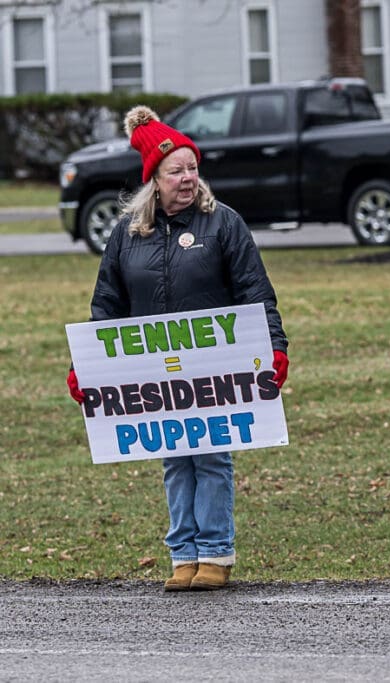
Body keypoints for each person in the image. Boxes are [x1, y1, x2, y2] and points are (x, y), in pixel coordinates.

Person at [66, 106, 289, 592]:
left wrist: (274, 347)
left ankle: (214, 553)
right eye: (176, 170)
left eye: (192, 168)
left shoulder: (223, 223)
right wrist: (86, 368)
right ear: (155, 179)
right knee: (173, 457)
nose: (188, 178)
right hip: (157, 374)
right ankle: (182, 554)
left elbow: (255, 291)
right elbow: (107, 304)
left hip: (214, 368)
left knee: (211, 455)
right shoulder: (127, 234)